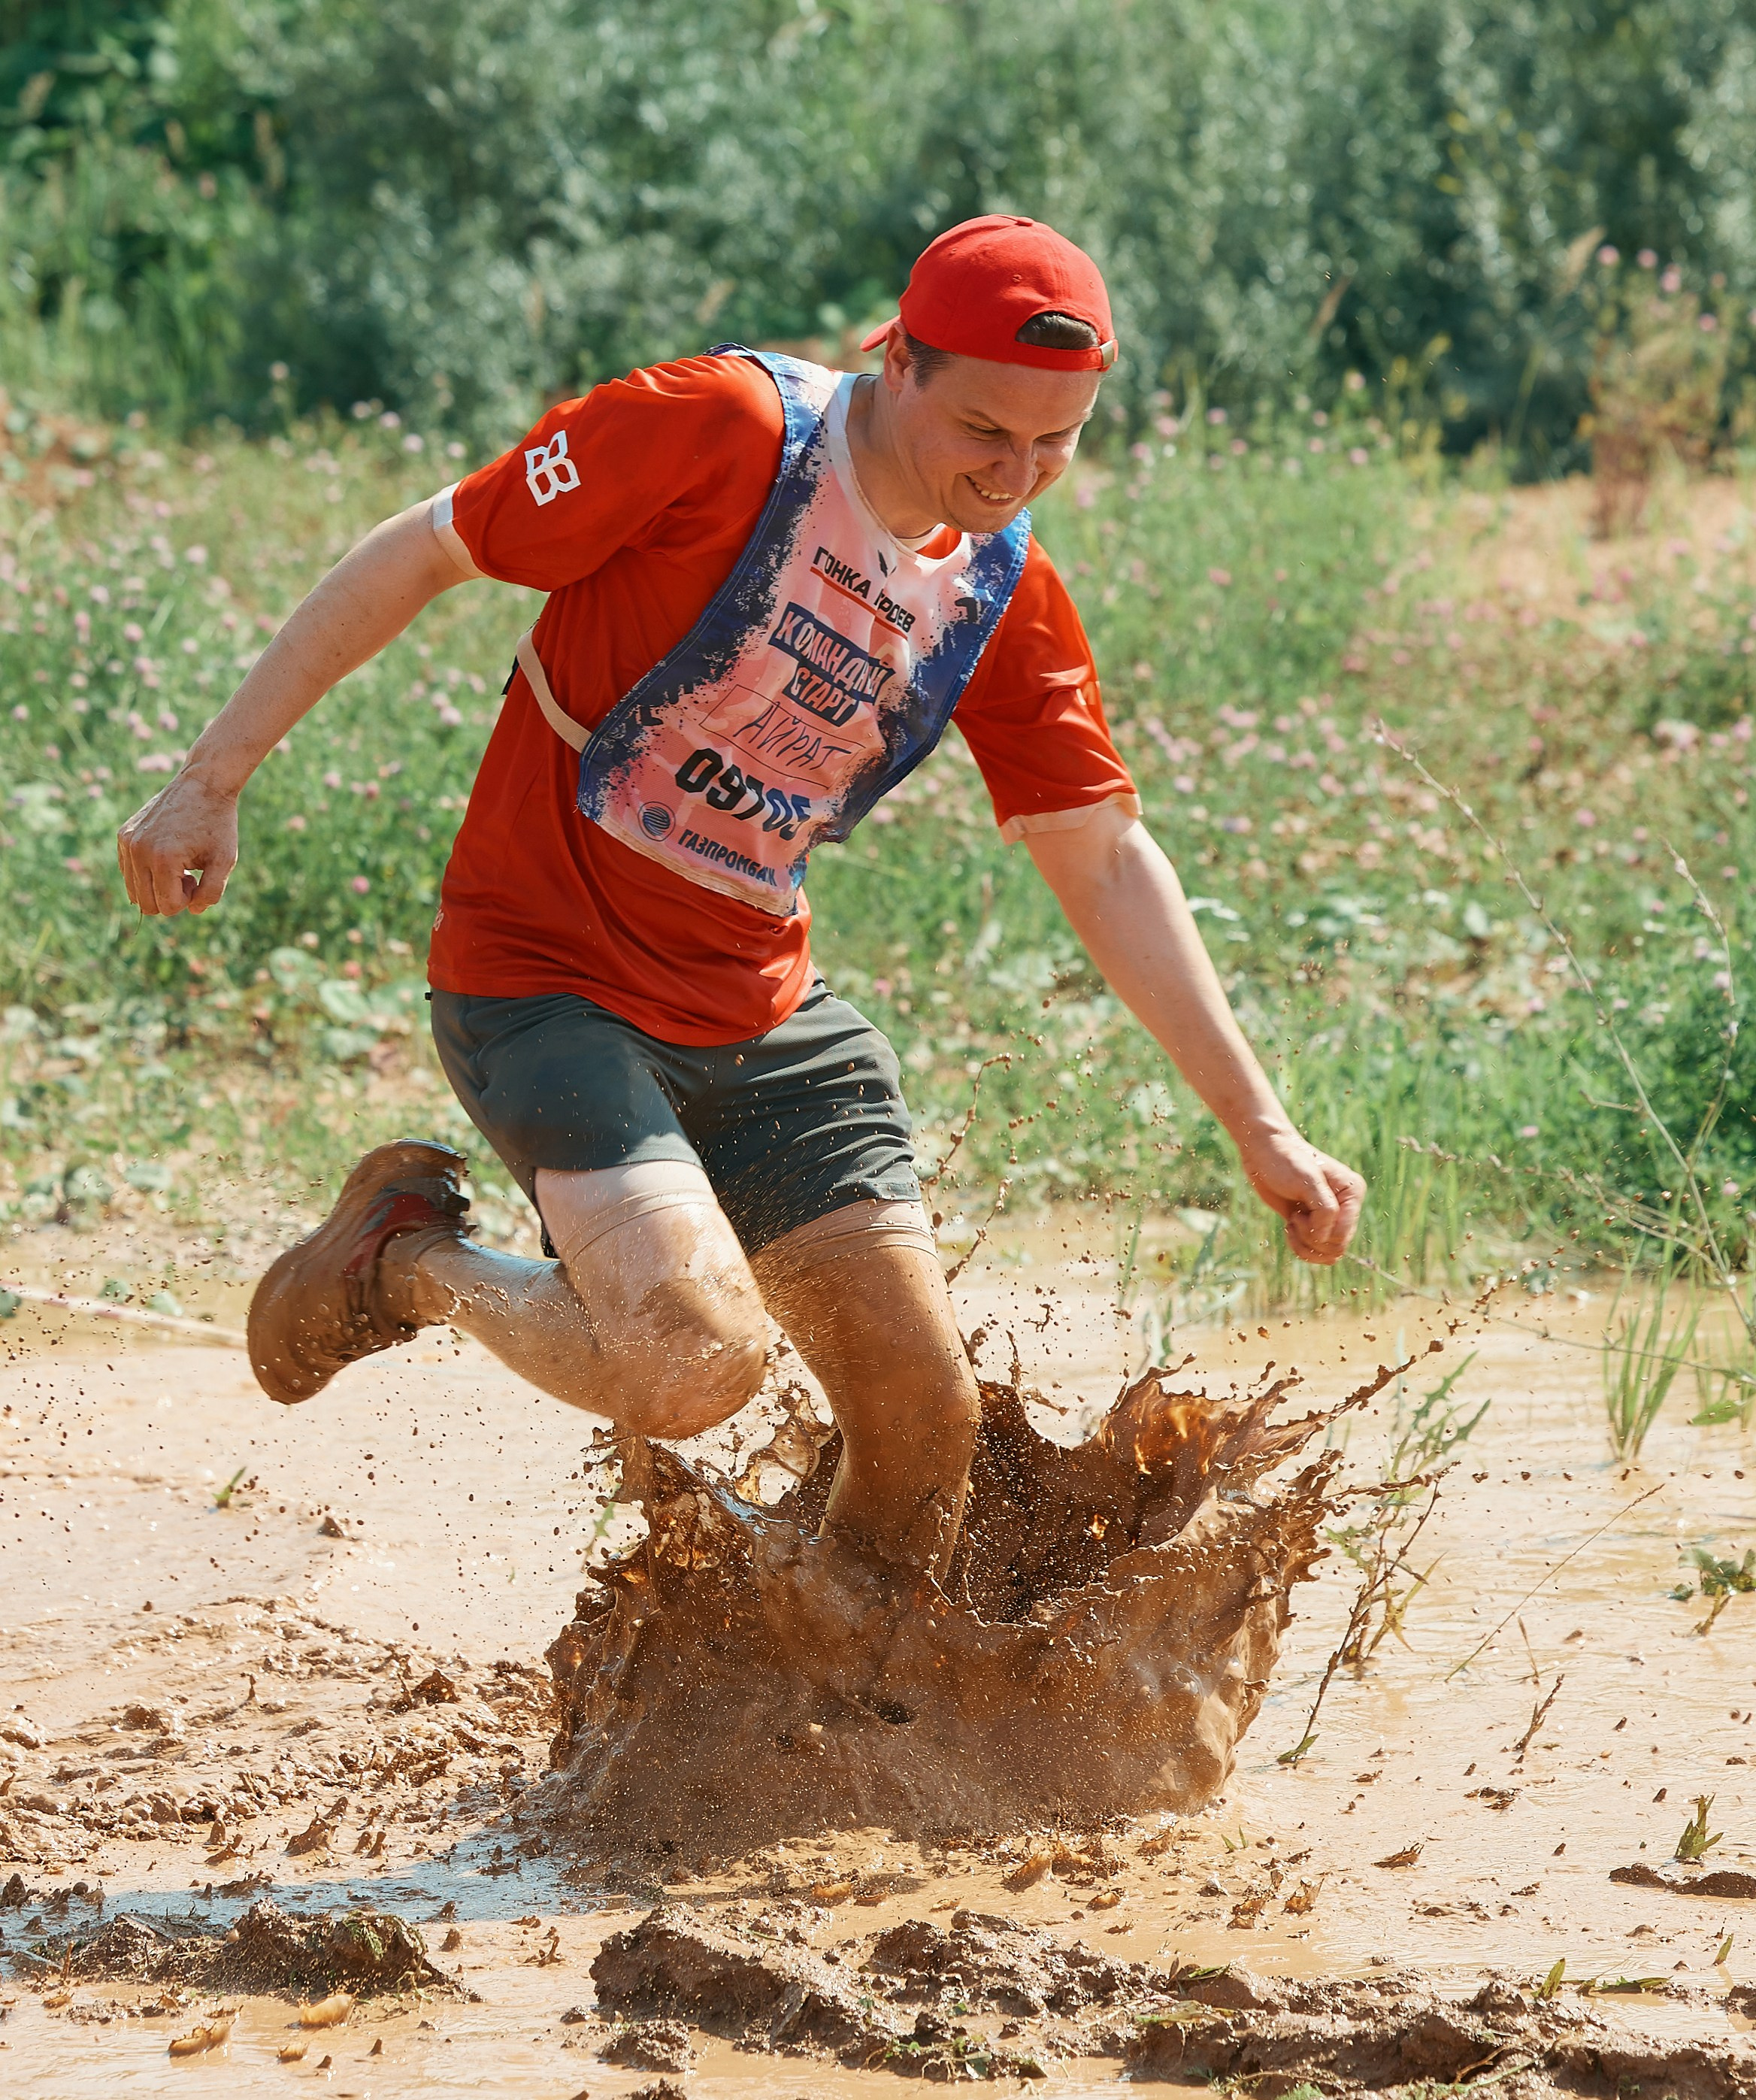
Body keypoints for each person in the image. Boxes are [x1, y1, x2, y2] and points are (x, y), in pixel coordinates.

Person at [117, 216, 1364, 1585]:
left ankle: (809, 1722)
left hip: (766, 1018)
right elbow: (426, 548)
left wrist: (1262, 1123)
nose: (1013, 478)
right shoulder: (715, 430)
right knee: (694, 1358)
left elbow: (1105, 856)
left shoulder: (1001, 597)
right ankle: (409, 1261)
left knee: (921, 1427)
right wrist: (209, 779)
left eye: (1056, 444)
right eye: (986, 431)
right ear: (899, 361)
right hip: (548, 978)